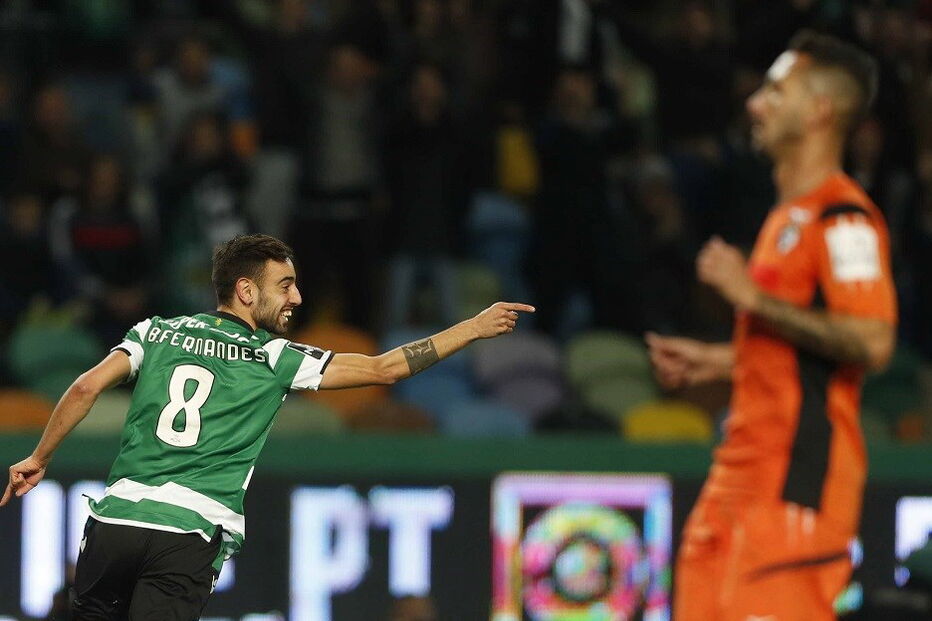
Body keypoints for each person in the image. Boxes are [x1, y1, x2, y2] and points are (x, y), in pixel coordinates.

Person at [1, 234, 534, 619]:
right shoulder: (273, 357)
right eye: (285, 285)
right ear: (246, 291)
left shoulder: (156, 331)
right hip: (188, 532)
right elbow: (383, 369)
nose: (297, 298)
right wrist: (472, 326)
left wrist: (39, 458)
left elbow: (84, 388)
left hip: (114, 522)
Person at [646, 31, 897, 621]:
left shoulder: (844, 220)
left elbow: (873, 340)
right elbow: (798, 351)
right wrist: (722, 360)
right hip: (735, 484)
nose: (756, 103)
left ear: (819, 111)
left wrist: (752, 298)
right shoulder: (785, 218)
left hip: (795, 492)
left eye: (776, 91)